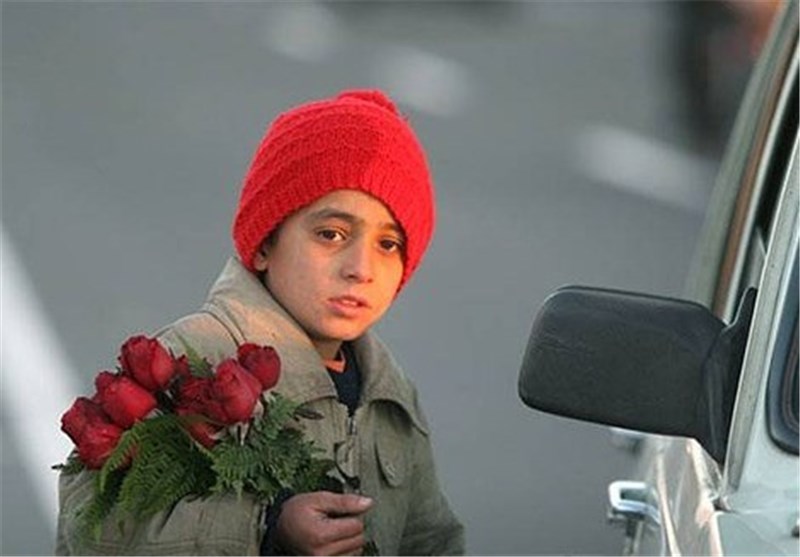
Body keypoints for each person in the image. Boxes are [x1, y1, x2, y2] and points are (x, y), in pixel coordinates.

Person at [56, 89, 465, 556]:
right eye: (332, 234)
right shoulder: (189, 359)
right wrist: (266, 531)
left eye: (388, 245)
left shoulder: (389, 391)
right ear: (266, 243)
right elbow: (92, 530)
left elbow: (431, 539)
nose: (361, 268)